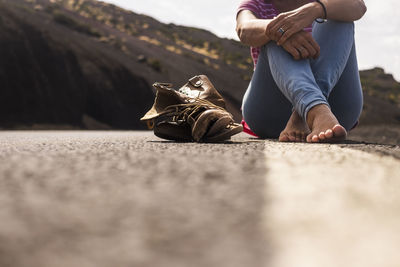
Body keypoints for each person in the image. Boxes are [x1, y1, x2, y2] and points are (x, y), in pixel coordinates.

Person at [236, 0, 367, 143]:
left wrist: (315, 9)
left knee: (341, 17)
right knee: (275, 30)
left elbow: (358, 6)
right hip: (269, 113)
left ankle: (307, 112)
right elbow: (244, 28)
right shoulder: (257, 3)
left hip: (335, 111)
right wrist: (282, 28)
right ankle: (314, 109)